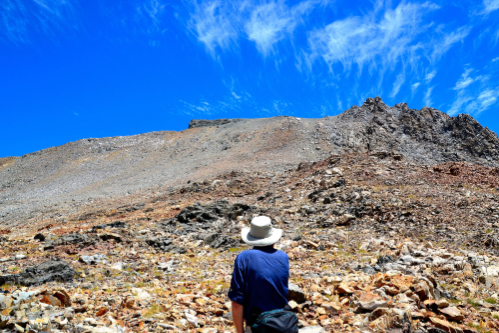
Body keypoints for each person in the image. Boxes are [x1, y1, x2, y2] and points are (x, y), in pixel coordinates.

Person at [229, 216, 296, 333]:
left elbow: (237, 301)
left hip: (258, 323)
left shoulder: (244, 258)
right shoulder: (283, 256)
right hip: (284, 322)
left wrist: (240, 331)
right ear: (273, 238)